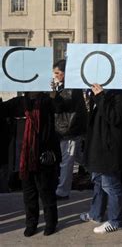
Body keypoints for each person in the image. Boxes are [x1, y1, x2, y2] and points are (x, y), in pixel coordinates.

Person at [2, 92, 61, 237]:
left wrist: (55, 97)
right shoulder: (21, 102)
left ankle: (51, 223)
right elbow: (2, 109)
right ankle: (31, 223)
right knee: (28, 194)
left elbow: (61, 108)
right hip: (26, 157)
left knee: (46, 192)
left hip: (44, 155)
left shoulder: (48, 101)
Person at [80, 84, 122, 234]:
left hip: (109, 148)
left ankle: (116, 220)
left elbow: (115, 117)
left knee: (111, 185)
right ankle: (96, 213)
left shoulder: (119, 91)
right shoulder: (101, 92)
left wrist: (101, 96)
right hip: (98, 146)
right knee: (99, 183)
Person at [50, 59, 87, 200]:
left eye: (57, 73)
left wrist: (53, 96)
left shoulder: (70, 88)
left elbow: (61, 106)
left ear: (65, 73)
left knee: (67, 161)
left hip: (68, 130)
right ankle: (99, 175)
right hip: (69, 129)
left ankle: (63, 191)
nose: (55, 76)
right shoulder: (67, 86)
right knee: (79, 158)